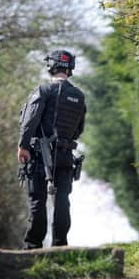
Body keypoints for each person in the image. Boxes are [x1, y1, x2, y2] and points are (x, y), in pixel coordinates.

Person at [17, 49, 86, 249]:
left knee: (37, 199)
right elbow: (79, 128)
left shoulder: (44, 90)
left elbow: (29, 120)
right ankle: (60, 245)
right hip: (65, 156)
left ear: (51, 66)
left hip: (40, 155)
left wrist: (23, 145)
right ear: (69, 67)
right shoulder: (79, 96)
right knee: (62, 201)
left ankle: (33, 245)